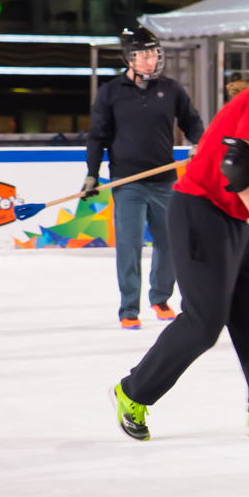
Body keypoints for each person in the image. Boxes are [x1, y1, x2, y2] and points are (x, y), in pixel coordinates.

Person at [110, 30, 249, 442]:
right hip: (202, 213)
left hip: (234, 219)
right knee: (203, 323)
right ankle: (132, 392)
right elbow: (234, 166)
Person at [85, 25, 204, 329]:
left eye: (154, 53)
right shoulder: (110, 93)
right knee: (130, 244)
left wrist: (200, 142)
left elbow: (191, 121)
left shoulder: (172, 89)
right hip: (127, 183)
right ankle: (129, 309)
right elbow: (97, 136)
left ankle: (160, 298)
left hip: (164, 180)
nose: (150, 60)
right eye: (143, 54)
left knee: (170, 241)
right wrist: (91, 174)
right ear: (129, 58)